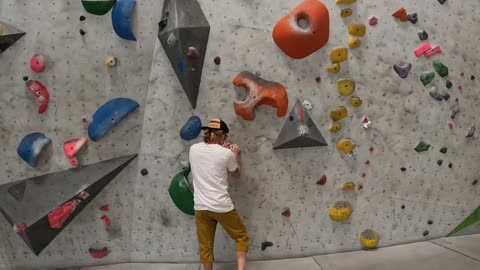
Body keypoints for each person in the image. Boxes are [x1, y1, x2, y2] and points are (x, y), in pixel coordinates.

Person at [189, 118, 249, 270]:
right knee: (241, 236)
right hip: (221, 206)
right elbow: (236, 172)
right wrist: (234, 153)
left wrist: (224, 150)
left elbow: (208, 159)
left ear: (207, 133)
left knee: (205, 245)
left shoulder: (193, 149)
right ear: (222, 136)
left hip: (201, 207)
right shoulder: (226, 154)